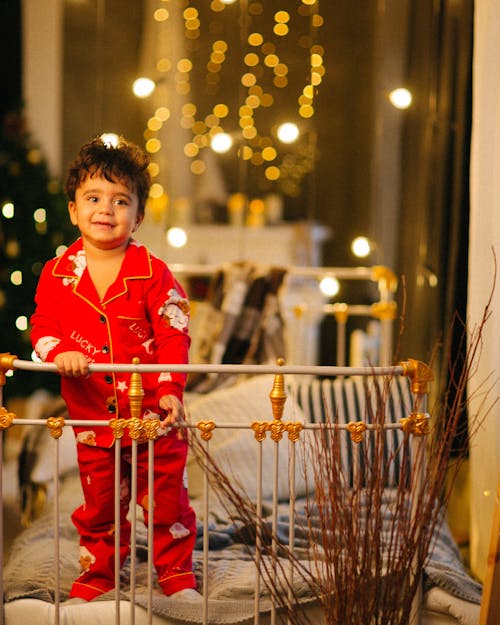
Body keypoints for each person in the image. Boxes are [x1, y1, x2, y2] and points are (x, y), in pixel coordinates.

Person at [30, 136, 199, 602]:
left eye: (120, 200)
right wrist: (60, 349)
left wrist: (170, 389)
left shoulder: (153, 271)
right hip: (92, 420)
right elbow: (42, 325)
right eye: (94, 198)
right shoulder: (57, 273)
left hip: (154, 420)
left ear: (138, 216)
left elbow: (173, 333)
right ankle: (99, 573)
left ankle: (176, 574)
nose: (106, 209)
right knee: (99, 504)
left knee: (167, 501)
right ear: (73, 210)